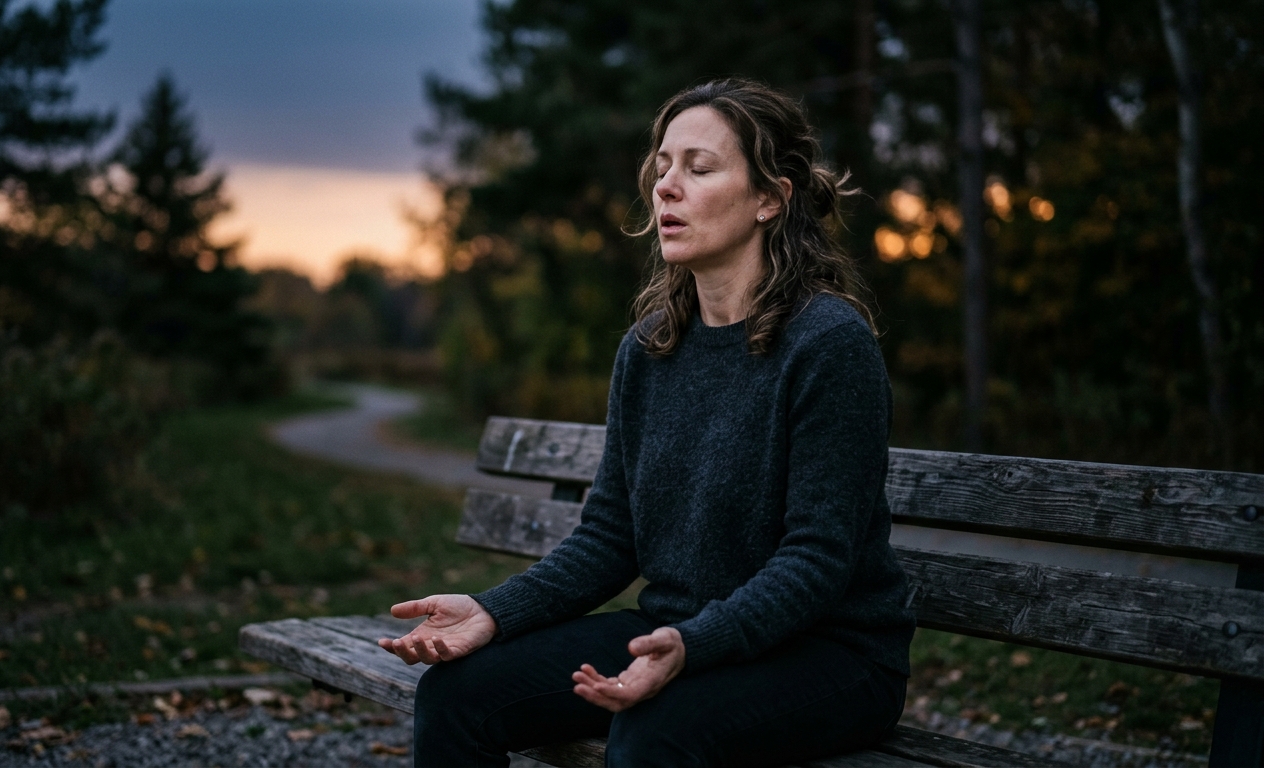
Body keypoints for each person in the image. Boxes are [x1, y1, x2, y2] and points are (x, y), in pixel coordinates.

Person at [378, 78, 916, 767]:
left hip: (830, 656)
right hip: (677, 631)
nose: (666, 187)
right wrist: (494, 612)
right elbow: (610, 536)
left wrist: (696, 645)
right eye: (661, 167)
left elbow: (817, 560)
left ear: (769, 199)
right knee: (457, 694)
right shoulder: (651, 347)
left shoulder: (828, 345)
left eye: (699, 168)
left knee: (652, 734)